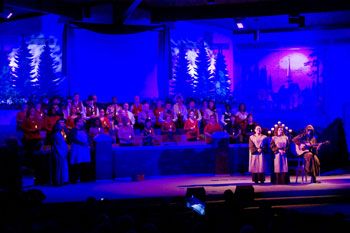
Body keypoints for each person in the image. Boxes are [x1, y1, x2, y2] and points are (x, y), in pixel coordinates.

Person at [70, 117, 91, 183]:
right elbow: (73, 138)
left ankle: (85, 178)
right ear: (77, 122)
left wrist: (88, 142)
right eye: (80, 121)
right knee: (77, 162)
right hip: (77, 148)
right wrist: (82, 143)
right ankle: (74, 178)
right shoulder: (73, 130)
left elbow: (89, 137)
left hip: (85, 148)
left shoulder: (84, 130)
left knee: (85, 162)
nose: (82, 122)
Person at [51, 119, 69, 186]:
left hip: (63, 150)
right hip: (59, 151)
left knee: (63, 166)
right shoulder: (57, 134)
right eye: (60, 124)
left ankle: (63, 179)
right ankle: (58, 181)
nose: (62, 125)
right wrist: (63, 150)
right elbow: (60, 143)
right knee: (59, 167)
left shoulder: (61, 133)